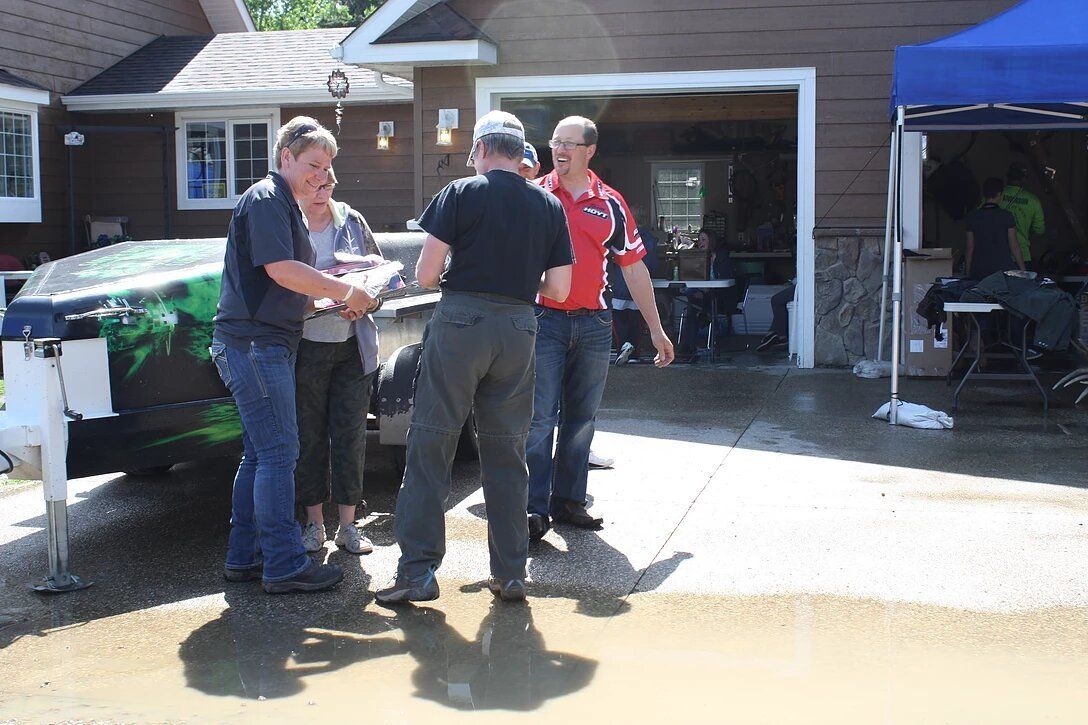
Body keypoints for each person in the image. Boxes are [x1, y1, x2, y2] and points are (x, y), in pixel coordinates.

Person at [376, 111, 574, 605]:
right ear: (519, 150)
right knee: (507, 452)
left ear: (483, 148)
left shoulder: (461, 193)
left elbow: (425, 274)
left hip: (461, 322)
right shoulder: (549, 205)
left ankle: (418, 572)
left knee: (431, 445)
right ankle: (510, 574)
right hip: (520, 327)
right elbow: (561, 288)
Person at [211, 116, 379, 594]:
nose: (321, 176)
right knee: (282, 453)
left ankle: (244, 557)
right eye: (312, 164)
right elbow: (283, 271)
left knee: (259, 455)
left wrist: (342, 297)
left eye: (327, 167)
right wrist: (347, 287)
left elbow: (288, 288)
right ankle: (284, 564)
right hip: (255, 346)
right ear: (285, 156)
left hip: (259, 343)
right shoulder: (267, 200)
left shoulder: (283, 204)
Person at [526, 116, 675, 542]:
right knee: (539, 420)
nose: (560, 150)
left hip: (593, 324)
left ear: (590, 151)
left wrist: (657, 331)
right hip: (543, 321)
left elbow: (634, 267)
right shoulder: (534, 195)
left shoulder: (609, 202)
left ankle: (569, 502)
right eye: (556, 141)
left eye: (571, 143)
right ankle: (533, 509)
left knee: (581, 420)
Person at [295, 168, 385, 556]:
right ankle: (313, 525)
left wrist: (366, 303)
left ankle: (348, 526)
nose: (321, 191)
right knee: (307, 437)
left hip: (353, 347)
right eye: (314, 184)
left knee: (350, 436)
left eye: (328, 184)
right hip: (303, 348)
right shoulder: (287, 222)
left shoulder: (351, 220)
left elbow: (381, 278)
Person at [965, 176, 1024, 280]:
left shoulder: (973, 217)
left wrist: (968, 273)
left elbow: (970, 248)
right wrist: (1023, 271)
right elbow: (1014, 246)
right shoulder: (1007, 216)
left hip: (979, 270)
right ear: (999, 194)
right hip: (1003, 270)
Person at [999, 162, 1045, 271]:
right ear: (1024, 178)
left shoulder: (995, 195)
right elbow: (1040, 230)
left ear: (1007, 176)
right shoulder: (1033, 200)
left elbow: (980, 215)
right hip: (1022, 255)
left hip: (997, 255)